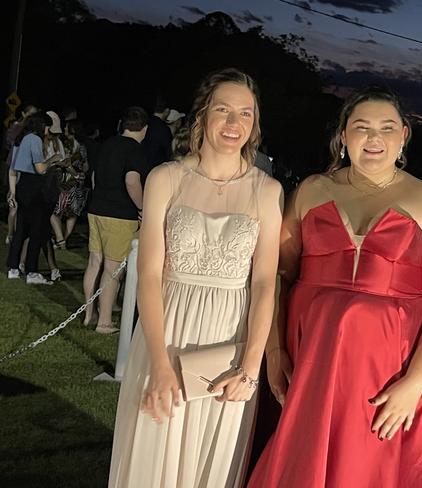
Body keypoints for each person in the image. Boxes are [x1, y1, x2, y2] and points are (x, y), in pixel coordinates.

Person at [248, 86, 422, 487]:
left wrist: (414, 383)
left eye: (386, 128)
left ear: (403, 136)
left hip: (386, 372)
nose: (374, 138)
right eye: (362, 127)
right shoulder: (312, 190)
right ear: (343, 135)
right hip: (311, 361)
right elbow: (279, 275)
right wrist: (275, 354)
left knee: (368, 464)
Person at [108, 68, 282, 488]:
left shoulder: (268, 190)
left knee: (212, 462)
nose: (233, 123)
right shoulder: (166, 178)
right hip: (166, 332)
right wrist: (160, 363)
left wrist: (250, 367)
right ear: (201, 116)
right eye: (223, 110)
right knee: (153, 455)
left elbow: (264, 284)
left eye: (245, 113)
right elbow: (149, 275)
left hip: (230, 341)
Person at [82, 107, 148, 333]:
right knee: (112, 269)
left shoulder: (106, 144)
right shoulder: (136, 150)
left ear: (123, 124)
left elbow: (93, 176)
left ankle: (89, 314)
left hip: (96, 208)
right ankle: (104, 322)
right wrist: (142, 207)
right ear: (144, 129)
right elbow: (132, 181)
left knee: (94, 262)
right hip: (120, 214)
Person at [6, 112, 64, 284]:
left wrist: (13, 192)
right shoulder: (35, 140)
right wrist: (53, 159)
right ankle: (32, 271)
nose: (48, 130)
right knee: (37, 230)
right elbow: (40, 169)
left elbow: (13, 170)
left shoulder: (21, 139)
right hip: (34, 187)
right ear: (41, 126)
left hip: (23, 186)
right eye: (47, 126)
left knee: (21, 231)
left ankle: (13, 268)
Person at [51, 120, 89, 248]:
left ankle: (60, 240)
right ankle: (63, 239)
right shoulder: (83, 146)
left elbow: (65, 163)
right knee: (72, 213)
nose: (64, 129)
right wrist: (80, 174)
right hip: (78, 183)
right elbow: (86, 166)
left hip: (65, 182)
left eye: (66, 127)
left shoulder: (65, 144)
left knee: (55, 211)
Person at [4, 103, 38, 245]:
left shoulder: (33, 133)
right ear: (24, 114)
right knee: (14, 205)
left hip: (25, 172)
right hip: (16, 170)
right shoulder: (18, 129)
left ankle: (17, 234)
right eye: (31, 114)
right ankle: (11, 234)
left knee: (21, 208)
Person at [141, 97, 172, 183]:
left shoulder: (145, 123)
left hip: (141, 168)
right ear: (167, 110)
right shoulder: (164, 128)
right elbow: (168, 151)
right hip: (156, 170)